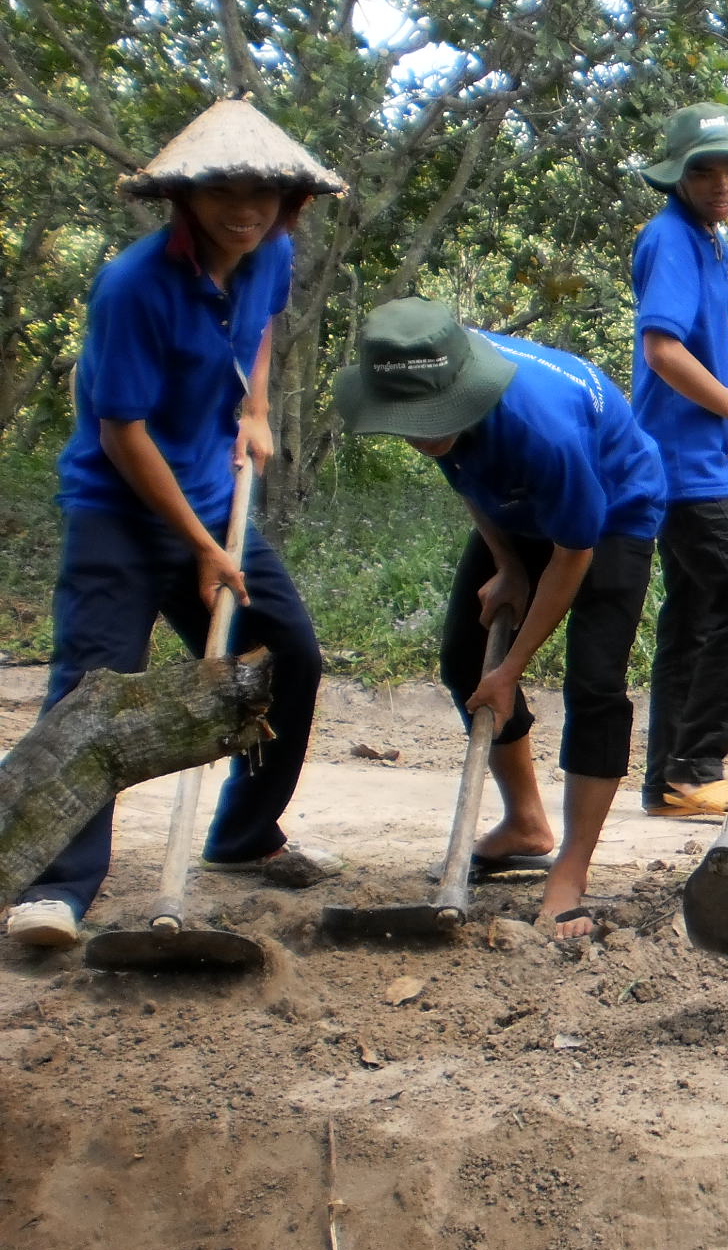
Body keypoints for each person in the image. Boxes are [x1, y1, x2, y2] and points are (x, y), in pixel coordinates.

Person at [5, 98, 344, 951]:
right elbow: (121, 430)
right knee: (93, 690)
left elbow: (261, 325)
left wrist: (257, 407)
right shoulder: (133, 286)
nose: (246, 209)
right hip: (119, 511)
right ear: (184, 197)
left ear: (288, 201)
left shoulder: (271, 254)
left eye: (264, 193)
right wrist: (197, 546)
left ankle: (242, 834)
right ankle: (54, 886)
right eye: (225, 190)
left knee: (287, 657)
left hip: (213, 494)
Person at [334, 299, 663, 939]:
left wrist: (513, 668)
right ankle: (524, 823)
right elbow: (466, 476)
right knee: (463, 657)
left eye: (434, 419)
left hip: (611, 508)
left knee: (595, 683)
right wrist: (509, 564)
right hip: (515, 504)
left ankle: (570, 867)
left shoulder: (544, 429)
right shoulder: (420, 369)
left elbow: (574, 554)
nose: (422, 434)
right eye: (409, 423)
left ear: (466, 390)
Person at [630, 103, 728, 820]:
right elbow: (663, 351)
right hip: (681, 461)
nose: (724, 182)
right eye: (705, 171)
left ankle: (666, 780)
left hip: (706, 460)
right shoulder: (670, 239)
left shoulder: (708, 238)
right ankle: (694, 766)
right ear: (678, 176)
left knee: (691, 618)